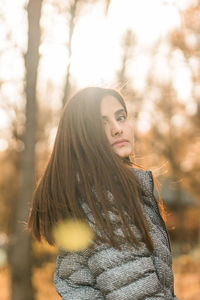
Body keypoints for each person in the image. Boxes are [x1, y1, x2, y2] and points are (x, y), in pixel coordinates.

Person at [28, 87, 178, 299]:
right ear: (81, 136)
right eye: (102, 123)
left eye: (121, 117)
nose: (117, 129)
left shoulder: (98, 194)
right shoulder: (106, 202)